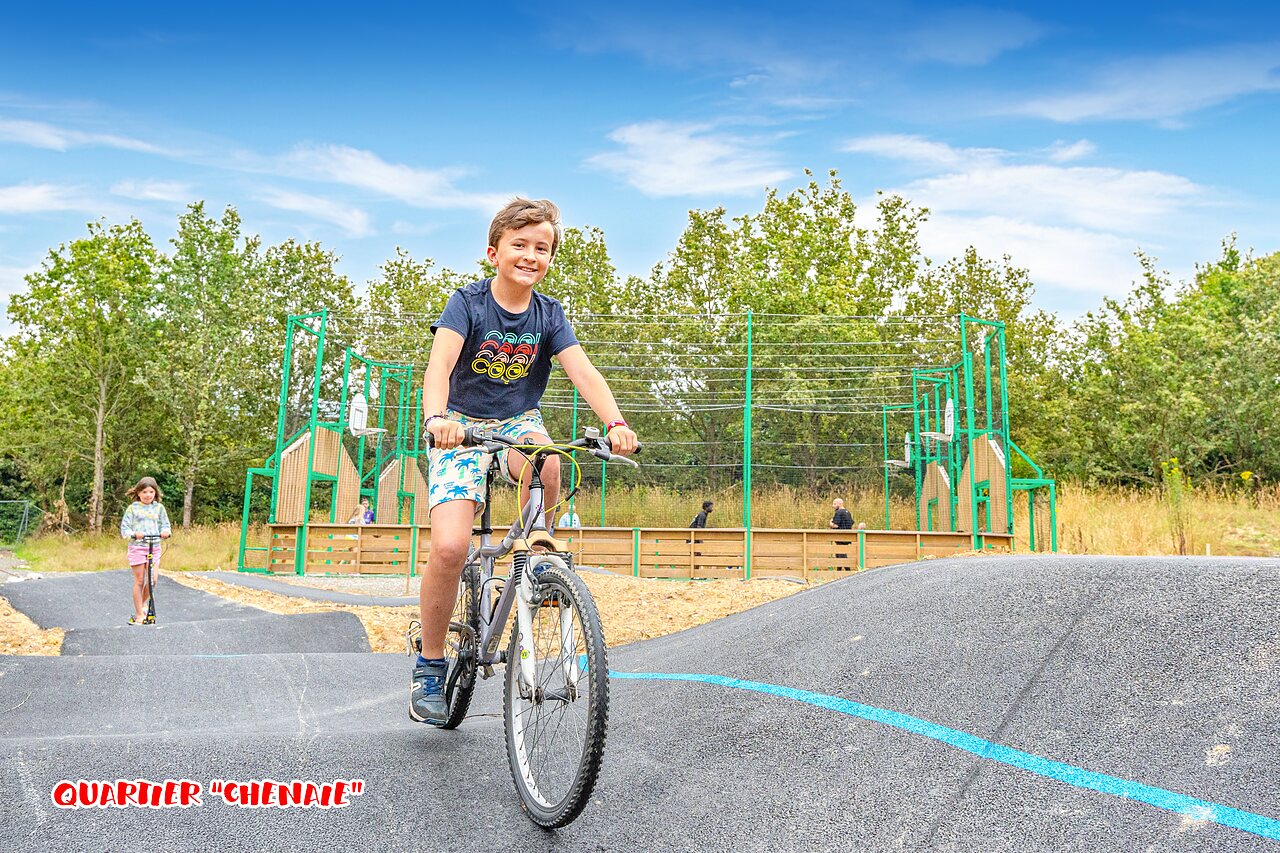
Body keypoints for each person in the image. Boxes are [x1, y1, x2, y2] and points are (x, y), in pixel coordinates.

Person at [410, 198, 638, 725]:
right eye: (520, 245)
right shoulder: (466, 304)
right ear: (494, 253)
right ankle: (430, 663)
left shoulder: (549, 314)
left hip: (517, 421)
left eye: (542, 248)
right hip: (459, 424)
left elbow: (584, 373)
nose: (530, 255)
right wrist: (437, 418)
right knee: (448, 547)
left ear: (550, 257)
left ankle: (534, 546)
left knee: (549, 461)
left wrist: (617, 424)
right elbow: (439, 363)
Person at [119, 476, 172, 625]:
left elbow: (165, 524)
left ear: (155, 492)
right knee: (140, 580)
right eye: (144, 492)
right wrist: (134, 534)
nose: (148, 495)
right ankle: (139, 614)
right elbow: (125, 529)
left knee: (153, 579)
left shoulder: (159, 508)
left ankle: (142, 603)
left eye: (151, 491)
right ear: (138, 493)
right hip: (138, 546)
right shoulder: (133, 508)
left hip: (154, 546)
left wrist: (166, 532)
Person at [829, 497, 853, 565]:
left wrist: (830, 523)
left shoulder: (839, 512)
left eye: (834, 504)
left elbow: (836, 525)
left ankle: (845, 570)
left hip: (840, 536)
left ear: (839, 504)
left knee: (841, 554)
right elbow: (851, 523)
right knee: (842, 553)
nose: (833, 506)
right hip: (847, 536)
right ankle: (842, 569)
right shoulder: (847, 512)